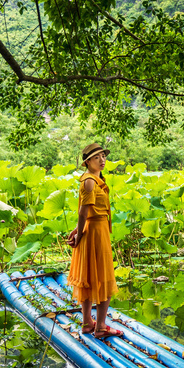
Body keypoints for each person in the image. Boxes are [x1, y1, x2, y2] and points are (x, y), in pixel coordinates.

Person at [66, 143, 121, 339]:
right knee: (103, 276)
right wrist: (79, 235)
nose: (102, 160)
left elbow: (85, 212)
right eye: (97, 157)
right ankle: (101, 327)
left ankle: (88, 322)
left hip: (96, 229)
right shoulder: (89, 181)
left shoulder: (94, 180)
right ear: (87, 162)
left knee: (89, 276)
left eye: (103, 157)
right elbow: (83, 212)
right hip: (95, 233)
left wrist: (77, 231)